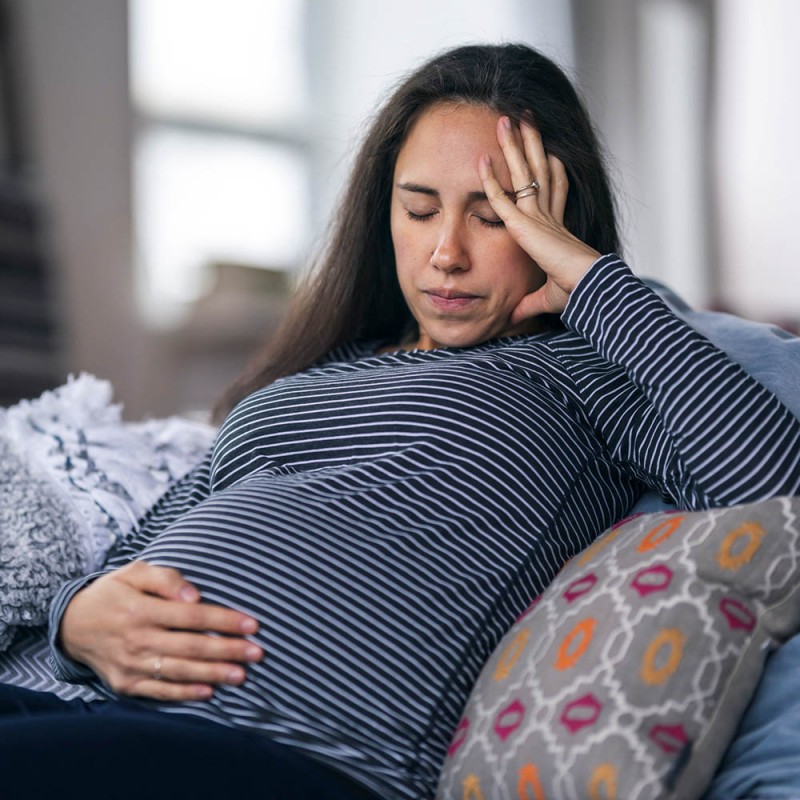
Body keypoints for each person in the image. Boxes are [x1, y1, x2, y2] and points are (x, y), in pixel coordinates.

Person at [0, 42, 798, 800]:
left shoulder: (587, 378)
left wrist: (592, 281)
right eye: (418, 209)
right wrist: (76, 619)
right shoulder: (316, 375)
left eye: (491, 217)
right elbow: (144, 548)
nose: (445, 252)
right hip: (78, 704)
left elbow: (773, 479)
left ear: (553, 226)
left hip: (275, 748)